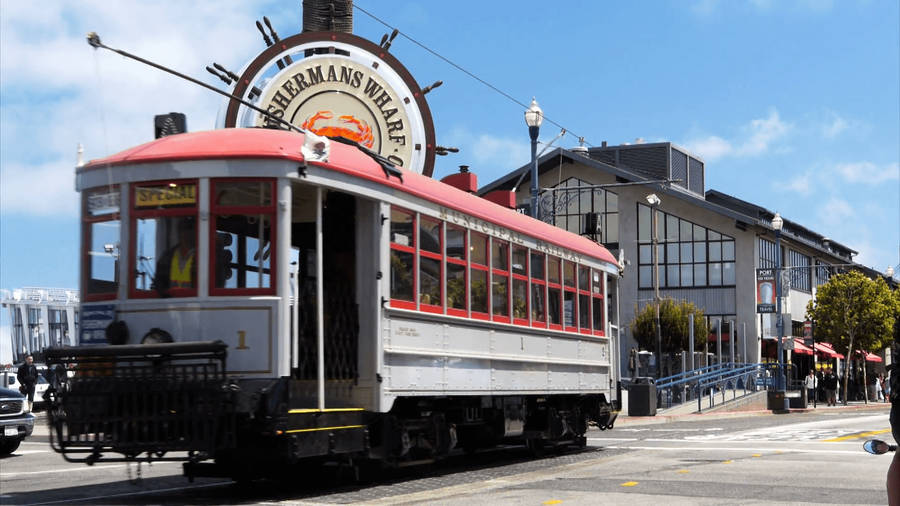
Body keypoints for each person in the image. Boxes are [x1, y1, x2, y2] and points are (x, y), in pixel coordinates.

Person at [153, 218, 196, 295]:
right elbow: (159, 282)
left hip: (194, 301)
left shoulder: (203, 257)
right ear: (179, 233)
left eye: (190, 230)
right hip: (172, 301)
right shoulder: (167, 257)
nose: (187, 234)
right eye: (184, 230)